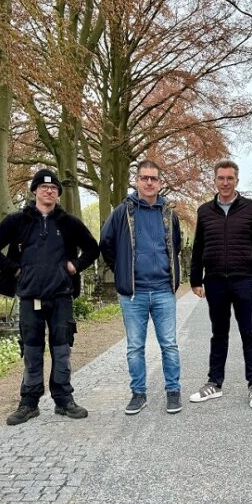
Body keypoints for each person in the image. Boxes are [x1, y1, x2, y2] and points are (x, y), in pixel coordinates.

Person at [0, 168, 100, 425]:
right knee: (32, 350)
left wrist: (75, 266)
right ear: (34, 190)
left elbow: (92, 248)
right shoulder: (17, 221)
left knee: (62, 349)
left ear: (58, 193)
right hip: (29, 297)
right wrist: (14, 269)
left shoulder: (69, 223)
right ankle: (29, 402)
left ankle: (63, 399)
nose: (49, 191)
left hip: (61, 297)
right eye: (44, 187)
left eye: (54, 188)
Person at [99, 159, 183, 415]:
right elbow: (106, 243)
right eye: (144, 177)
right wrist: (122, 269)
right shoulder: (122, 212)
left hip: (163, 290)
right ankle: (138, 393)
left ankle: (173, 391)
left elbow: (175, 245)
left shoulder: (169, 214)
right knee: (135, 347)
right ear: (136, 181)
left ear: (159, 182)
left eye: (153, 178)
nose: (149, 182)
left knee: (169, 344)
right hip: (134, 293)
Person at [189, 159, 252, 409]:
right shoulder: (204, 211)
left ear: (237, 180)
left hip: (243, 279)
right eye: (221, 178)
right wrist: (195, 279)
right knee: (219, 333)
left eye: (230, 178)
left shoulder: (251, 208)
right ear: (214, 180)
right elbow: (198, 247)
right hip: (214, 281)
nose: (225, 183)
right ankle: (214, 382)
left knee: (249, 332)